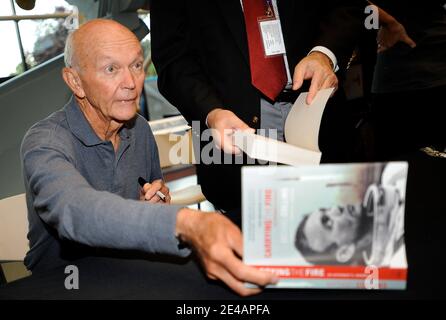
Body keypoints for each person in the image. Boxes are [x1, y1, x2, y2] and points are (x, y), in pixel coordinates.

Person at [20, 19, 277, 296]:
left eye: (136, 65)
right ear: (75, 81)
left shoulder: (139, 129)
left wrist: (155, 203)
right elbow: (74, 210)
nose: (131, 83)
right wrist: (185, 222)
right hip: (66, 281)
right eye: (111, 69)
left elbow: (152, 196)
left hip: (126, 271)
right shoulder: (45, 142)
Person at [150, 0, 364, 224]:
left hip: (319, 113)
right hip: (234, 132)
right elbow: (172, 59)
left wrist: (324, 54)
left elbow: (349, 5)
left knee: (339, 234)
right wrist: (211, 111)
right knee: (254, 246)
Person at [369, 1, 446, 160]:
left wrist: (387, 21)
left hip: (408, 73)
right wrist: (387, 21)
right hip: (397, 73)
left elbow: (353, 6)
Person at [295, 163, 406, 266]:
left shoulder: (392, 174)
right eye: (328, 222)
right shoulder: (402, 262)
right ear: (345, 252)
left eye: (327, 209)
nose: (336, 208)